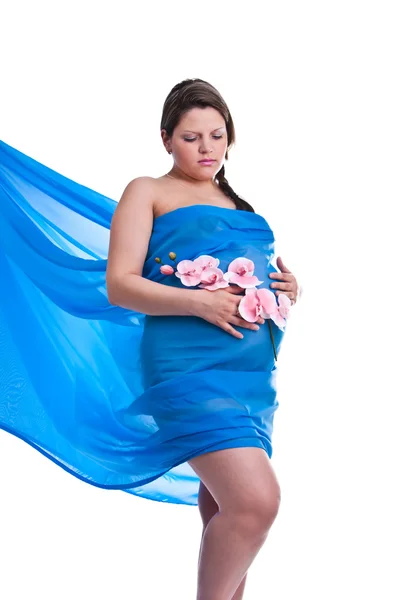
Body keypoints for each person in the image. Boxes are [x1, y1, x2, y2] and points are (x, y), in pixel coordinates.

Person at [106, 78, 300, 600]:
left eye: (217, 135)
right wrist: (200, 301)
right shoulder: (147, 190)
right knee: (255, 503)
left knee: (227, 512)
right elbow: (120, 285)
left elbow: (251, 276)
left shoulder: (239, 204)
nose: (207, 148)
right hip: (186, 365)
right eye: (192, 137)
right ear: (166, 138)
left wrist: (286, 289)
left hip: (252, 377)